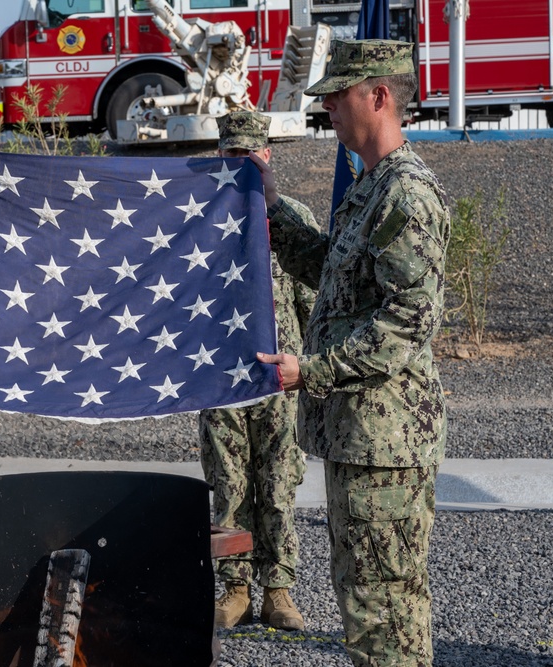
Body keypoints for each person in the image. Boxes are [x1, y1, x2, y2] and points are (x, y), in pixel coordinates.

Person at [251, 40, 450, 666]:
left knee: (383, 616)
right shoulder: (371, 188)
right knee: (369, 606)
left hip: (386, 443)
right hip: (362, 438)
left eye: (338, 95)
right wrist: (274, 207)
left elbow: (406, 323)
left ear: (380, 97)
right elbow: (331, 274)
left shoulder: (406, 195)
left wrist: (310, 371)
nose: (328, 108)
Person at [199, 111, 316, 632]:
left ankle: (279, 591)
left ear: (266, 156)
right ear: (219, 157)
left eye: (250, 155)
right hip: (220, 378)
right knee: (229, 484)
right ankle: (236, 588)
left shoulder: (290, 217)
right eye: (231, 155)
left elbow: (315, 304)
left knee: (278, 483)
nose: (241, 163)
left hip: (280, 380)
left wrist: (315, 373)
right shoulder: (196, 223)